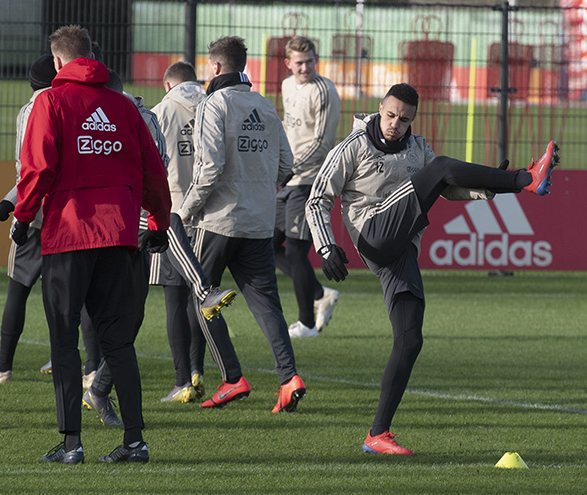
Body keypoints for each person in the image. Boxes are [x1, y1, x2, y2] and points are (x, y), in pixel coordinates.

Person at [305, 83, 560, 455]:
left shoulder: (417, 148)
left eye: (404, 119)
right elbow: (317, 199)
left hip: (401, 245)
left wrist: (490, 186)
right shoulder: (352, 146)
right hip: (374, 233)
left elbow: (446, 188)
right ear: (380, 108)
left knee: (410, 339)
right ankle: (526, 178)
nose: (395, 124)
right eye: (390, 115)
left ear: (412, 119)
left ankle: (377, 434)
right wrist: (326, 246)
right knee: (441, 167)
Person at [13, 25, 171, 465]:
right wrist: (157, 221)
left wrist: (23, 216)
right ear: (93, 58)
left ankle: (71, 445)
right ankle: (134, 442)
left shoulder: (50, 101)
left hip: (68, 236)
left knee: (64, 342)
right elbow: (152, 171)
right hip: (118, 236)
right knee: (118, 343)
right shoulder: (124, 106)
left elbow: (38, 167)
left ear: (57, 61)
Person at [176, 36, 306, 413]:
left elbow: (209, 168)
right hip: (259, 222)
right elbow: (287, 165)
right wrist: (259, 188)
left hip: (219, 221)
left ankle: (231, 377)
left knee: (201, 297)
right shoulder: (264, 105)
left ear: (215, 67)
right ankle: (289, 378)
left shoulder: (214, 103)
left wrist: (186, 211)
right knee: (267, 305)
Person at [0, 54, 99, 386]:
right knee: (79, 292)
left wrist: (15, 205)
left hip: (37, 214)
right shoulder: (81, 103)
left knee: (18, 287)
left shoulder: (33, 108)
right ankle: (90, 367)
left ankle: (3, 365)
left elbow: (30, 169)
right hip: (75, 214)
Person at [151, 60, 235, 403]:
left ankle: (182, 380)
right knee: (201, 296)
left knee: (175, 298)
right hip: (209, 214)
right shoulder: (214, 107)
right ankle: (198, 368)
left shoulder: (160, 112)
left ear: (167, 85)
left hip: (172, 213)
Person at [275, 36, 342, 338]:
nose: (305, 68)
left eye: (310, 61)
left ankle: (307, 324)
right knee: (268, 245)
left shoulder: (324, 90)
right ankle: (319, 294)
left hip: (310, 181)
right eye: (299, 63)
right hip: (288, 177)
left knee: (296, 251)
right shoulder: (287, 86)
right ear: (288, 63)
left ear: (316, 60)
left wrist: (289, 168)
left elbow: (322, 143)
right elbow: (289, 129)